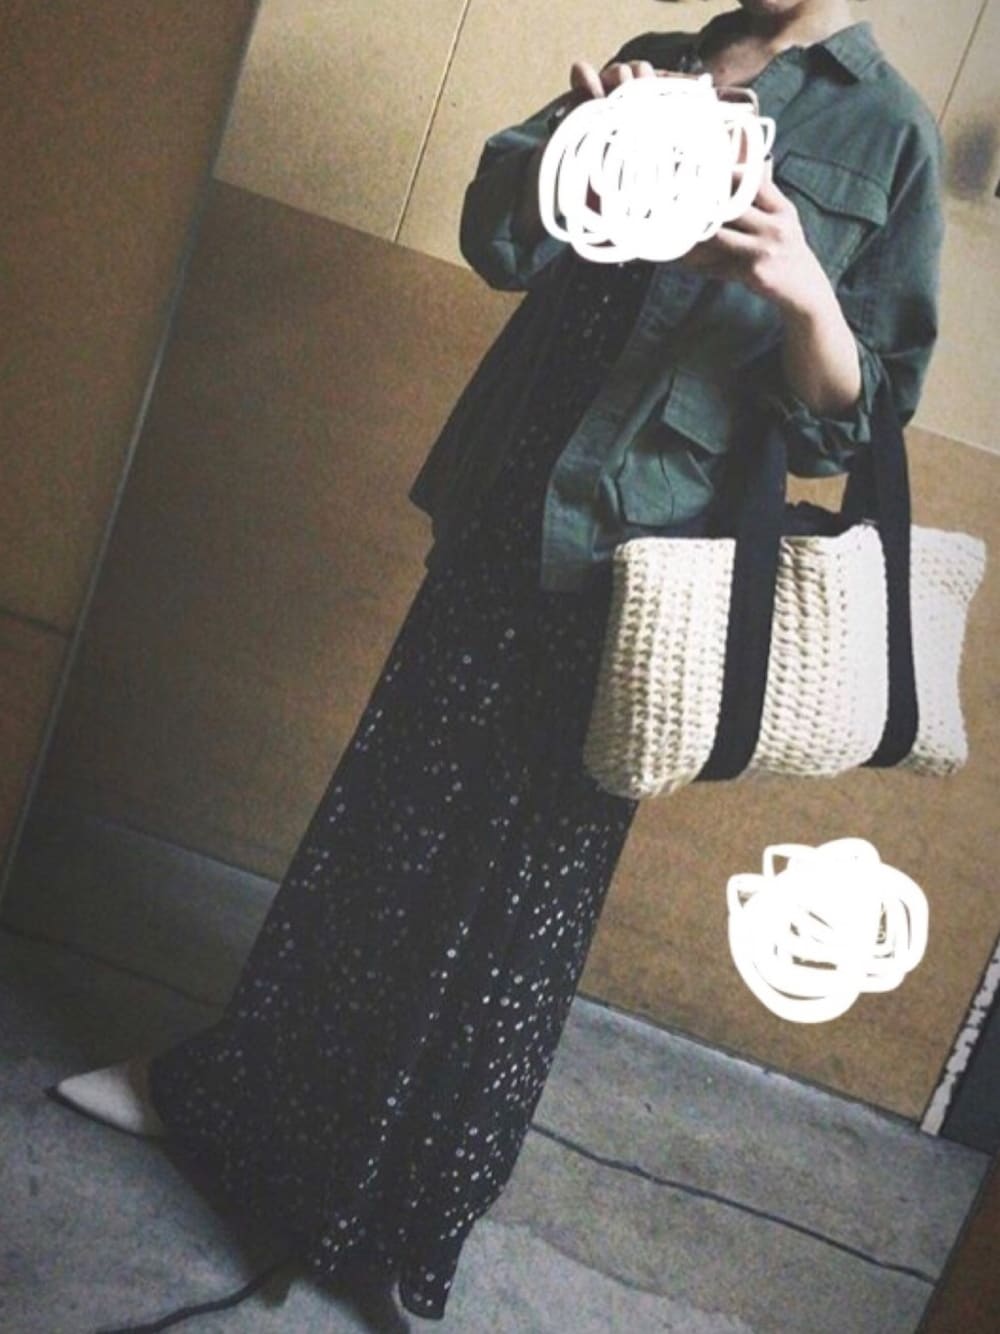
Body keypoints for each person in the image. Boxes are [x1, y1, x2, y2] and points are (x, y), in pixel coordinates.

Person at [48, 0, 944, 1324]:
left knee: (516, 909)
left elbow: (859, 416)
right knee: (380, 828)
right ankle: (221, 1099)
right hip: (509, 501)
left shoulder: (891, 135)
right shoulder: (676, 55)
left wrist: (803, 283)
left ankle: (398, 1220)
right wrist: (578, 137)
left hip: (646, 562)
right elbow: (500, 238)